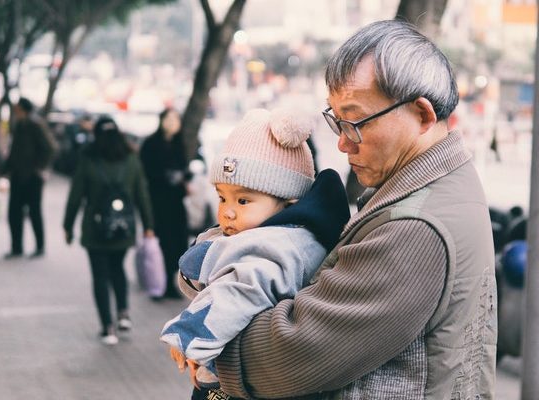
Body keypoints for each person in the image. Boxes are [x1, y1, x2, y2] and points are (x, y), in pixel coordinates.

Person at [212, 20, 497, 399]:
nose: (343, 144)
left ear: (422, 114)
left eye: (355, 122)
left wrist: (210, 342)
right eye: (337, 121)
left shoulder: (415, 227)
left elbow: (295, 355)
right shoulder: (445, 184)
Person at [160, 109, 350, 399]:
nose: (228, 211)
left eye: (243, 200)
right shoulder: (262, 234)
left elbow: (240, 289)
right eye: (222, 197)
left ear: (288, 203)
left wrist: (189, 335)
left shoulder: (278, 247)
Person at [63, 116, 155, 345]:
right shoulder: (131, 158)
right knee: (118, 269)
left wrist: (68, 226)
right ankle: (123, 314)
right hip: (124, 228)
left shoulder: (88, 158)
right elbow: (142, 194)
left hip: (95, 229)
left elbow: (76, 195)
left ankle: (108, 327)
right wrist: (148, 225)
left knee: (100, 276)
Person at [140, 108, 191, 299]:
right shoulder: (151, 144)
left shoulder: (179, 144)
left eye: (175, 119)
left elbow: (185, 168)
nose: (172, 123)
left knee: (177, 242)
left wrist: (183, 178)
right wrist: (166, 176)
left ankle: (171, 282)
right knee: (161, 242)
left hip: (176, 202)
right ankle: (157, 284)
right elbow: (145, 172)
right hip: (158, 201)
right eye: (168, 119)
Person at [2, 97, 57, 259]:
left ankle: (40, 246)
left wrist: (39, 167)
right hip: (18, 176)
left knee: (34, 212)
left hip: (32, 177)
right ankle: (16, 247)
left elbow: (50, 148)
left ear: (23, 109)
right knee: (14, 213)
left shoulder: (35, 124)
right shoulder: (19, 125)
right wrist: (3, 170)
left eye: (17, 108)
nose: (15, 111)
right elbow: (14, 152)